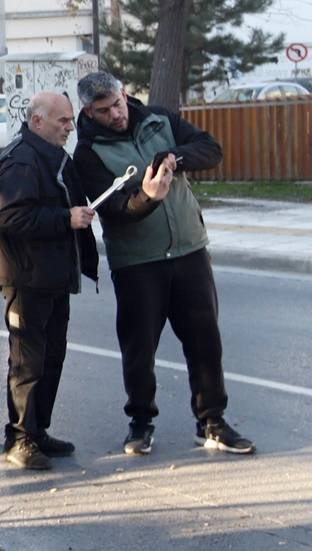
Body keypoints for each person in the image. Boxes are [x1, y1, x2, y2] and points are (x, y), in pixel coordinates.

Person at [72, 71, 254, 456]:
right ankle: (140, 423)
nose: (116, 115)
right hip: (138, 262)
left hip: (189, 250)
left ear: (124, 93)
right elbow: (117, 211)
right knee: (140, 348)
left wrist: (176, 157)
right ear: (88, 111)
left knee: (205, 341)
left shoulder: (160, 120)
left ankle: (212, 422)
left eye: (118, 104)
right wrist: (150, 196)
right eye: (104, 111)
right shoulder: (88, 153)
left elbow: (211, 148)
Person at [0, 91, 98, 470]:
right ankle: (19, 438)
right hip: (27, 280)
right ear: (37, 122)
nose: (70, 127)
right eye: (63, 121)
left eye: (70, 120)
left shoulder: (54, 155)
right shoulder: (22, 159)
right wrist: (64, 219)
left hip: (53, 276)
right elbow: (10, 216)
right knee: (28, 363)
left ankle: (38, 431)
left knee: (52, 358)